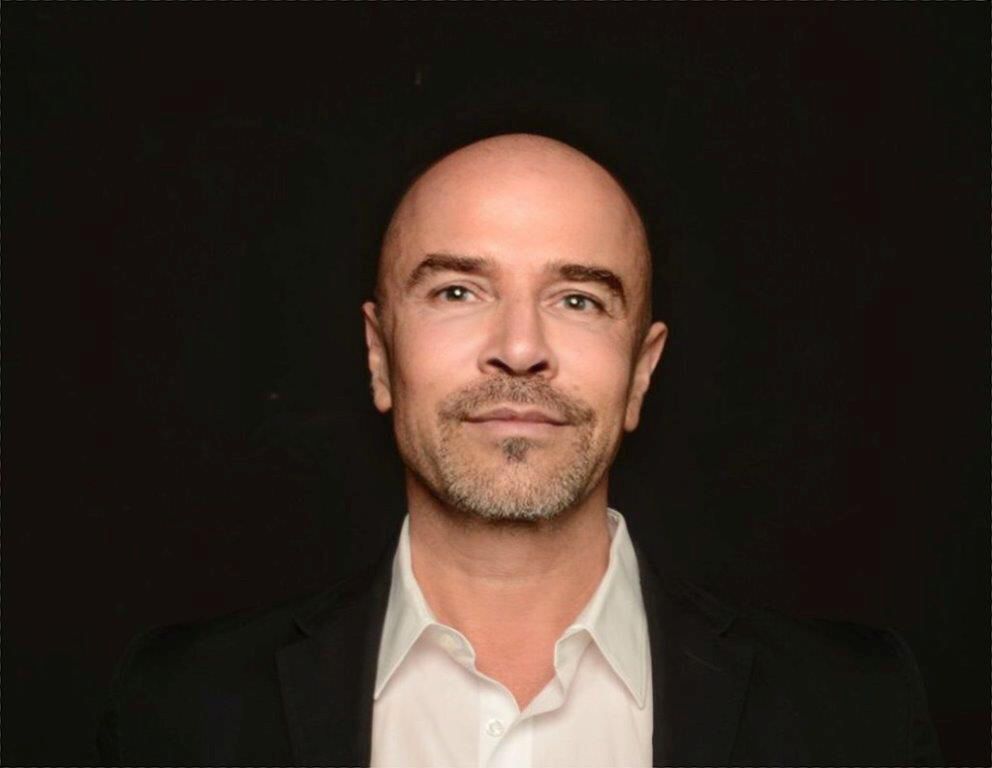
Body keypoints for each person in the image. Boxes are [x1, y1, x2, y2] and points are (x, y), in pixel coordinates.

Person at [97, 134, 943, 767]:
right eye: (458, 291)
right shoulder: (180, 709)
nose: (519, 349)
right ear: (379, 357)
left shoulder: (856, 714)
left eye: (577, 300)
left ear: (641, 373)